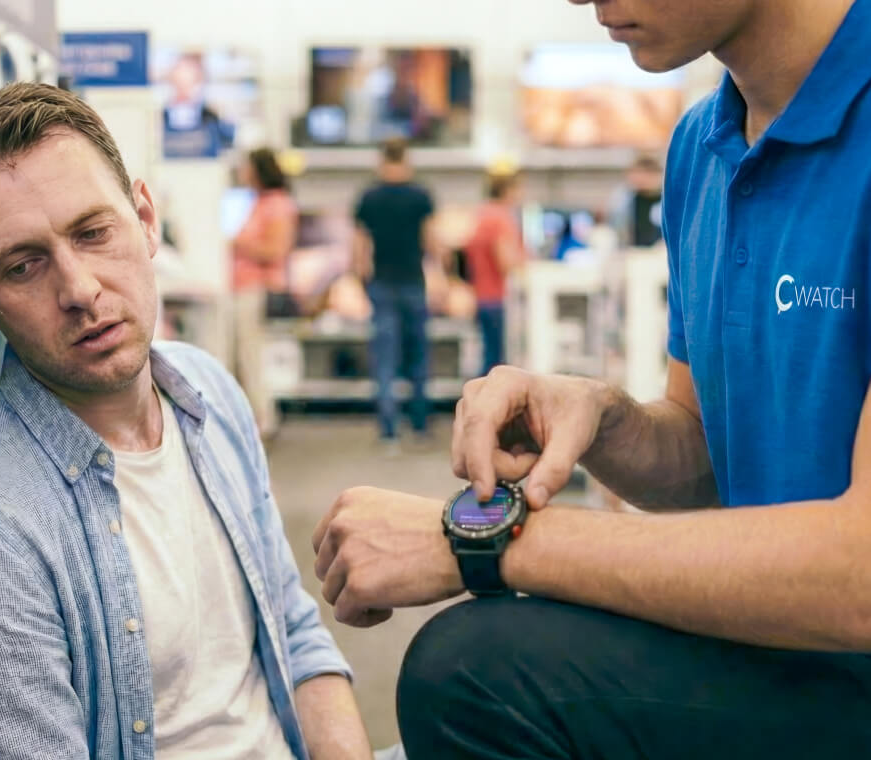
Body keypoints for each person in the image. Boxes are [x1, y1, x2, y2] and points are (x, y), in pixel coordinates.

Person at [313, 0, 871, 757]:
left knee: (473, 670)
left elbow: (861, 576)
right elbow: (708, 461)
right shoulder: (699, 147)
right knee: (479, 658)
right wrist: (606, 419)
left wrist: (482, 542)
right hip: (792, 654)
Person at [0, 83, 370, 760]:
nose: (80, 289)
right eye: (24, 265)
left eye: (94, 233)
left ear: (145, 219)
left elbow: (292, 629)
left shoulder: (209, 393)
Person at [353, 137, 436, 443]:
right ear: (406, 158)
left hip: (382, 283)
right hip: (414, 281)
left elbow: (361, 245)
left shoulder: (370, 197)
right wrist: (443, 276)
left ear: (382, 159)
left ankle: (388, 427)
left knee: (385, 357)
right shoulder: (420, 196)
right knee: (418, 355)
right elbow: (431, 240)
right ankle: (420, 423)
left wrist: (360, 279)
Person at [230, 148, 299, 439]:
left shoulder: (278, 205)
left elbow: (277, 249)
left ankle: (263, 418)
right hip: (243, 288)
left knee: (252, 357)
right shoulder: (258, 202)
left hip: (258, 289)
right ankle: (254, 416)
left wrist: (237, 244)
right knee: (245, 356)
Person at [463, 169, 526, 375]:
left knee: (489, 355)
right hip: (497, 296)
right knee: (497, 364)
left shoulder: (480, 215)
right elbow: (505, 261)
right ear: (508, 190)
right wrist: (525, 261)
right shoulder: (501, 218)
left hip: (481, 294)